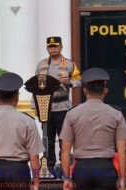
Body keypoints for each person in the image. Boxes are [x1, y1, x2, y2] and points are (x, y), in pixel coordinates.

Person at [60, 67, 126, 190]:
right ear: (105, 91)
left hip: (82, 169)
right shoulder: (116, 114)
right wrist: (122, 178)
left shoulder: (72, 114)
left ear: (85, 91)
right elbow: (123, 151)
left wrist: (66, 178)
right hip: (106, 169)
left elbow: (65, 151)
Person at [32, 36, 82, 171]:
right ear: (47, 48)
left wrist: (69, 82)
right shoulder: (41, 65)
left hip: (63, 106)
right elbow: (35, 86)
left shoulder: (70, 64)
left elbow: (79, 80)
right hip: (45, 106)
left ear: (61, 47)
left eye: (55, 46)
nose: (52, 49)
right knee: (47, 138)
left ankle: (64, 166)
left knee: (63, 138)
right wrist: (34, 106)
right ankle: (48, 166)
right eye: (50, 46)